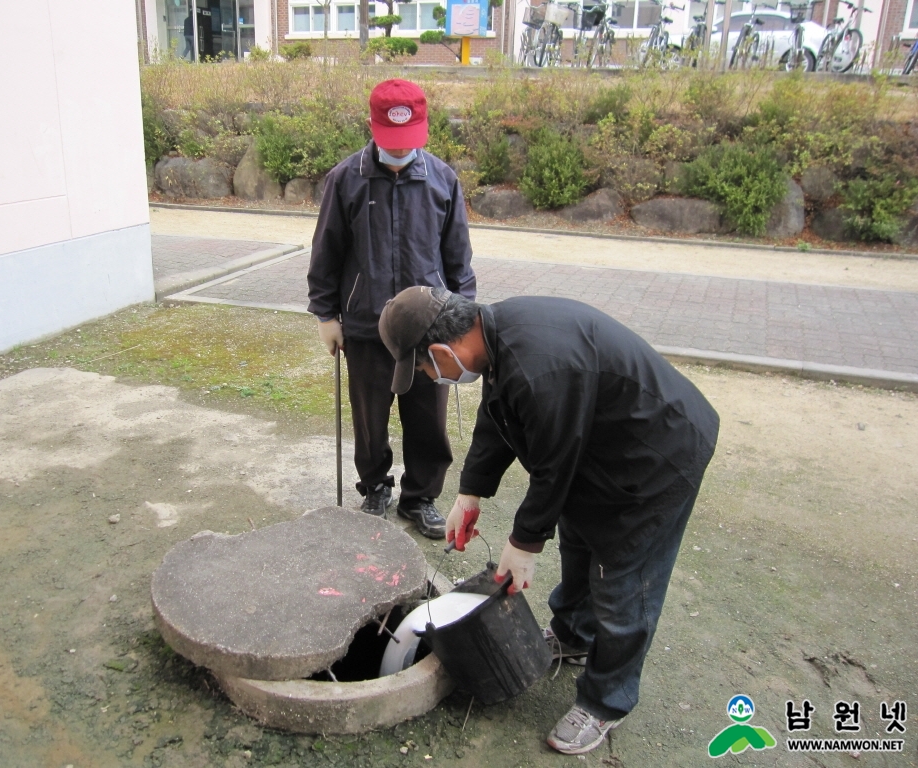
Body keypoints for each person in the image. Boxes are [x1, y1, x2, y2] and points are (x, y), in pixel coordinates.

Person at [378, 287, 720, 755]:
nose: (431, 378)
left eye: (425, 369)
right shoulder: (496, 335)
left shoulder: (542, 366)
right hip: (601, 451)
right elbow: (497, 417)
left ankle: (606, 700)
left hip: (657, 456)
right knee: (579, 536)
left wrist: (524, 544)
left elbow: (554, 465)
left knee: (622, 579)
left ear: (441, 351)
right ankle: (572, 634)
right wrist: (470, 491)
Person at [306, 79, 476, 538]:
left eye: (409, 143)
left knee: (427, 419)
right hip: (364, 325)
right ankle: (375, 488)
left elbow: (458, 258)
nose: (401, 153)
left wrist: (464, 321)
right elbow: (326, 253)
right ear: (371, 126)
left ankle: (420, 497)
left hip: (431, 327)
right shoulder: (346, 180)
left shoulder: (443, 180)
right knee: (369, 417)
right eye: (392, 143)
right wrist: (326, 316)